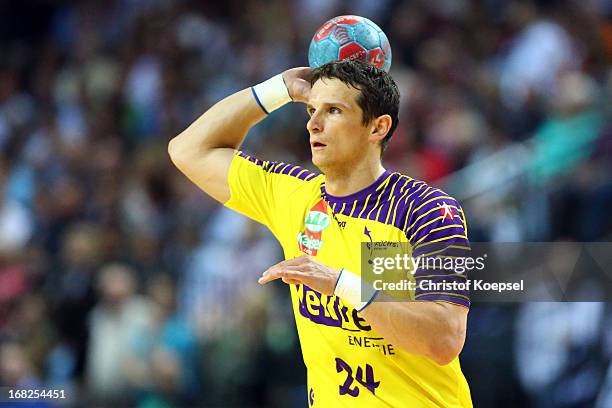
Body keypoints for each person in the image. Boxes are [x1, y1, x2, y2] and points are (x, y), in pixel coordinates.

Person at [169, 60, 472, 407]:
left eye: (333, 111)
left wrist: (339, 283)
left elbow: (444, 339)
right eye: (312, 110)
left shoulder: (424, 208)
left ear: (378, 127)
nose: (313, 124)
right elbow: (187, 149)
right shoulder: (292, 195)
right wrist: (278, 90)